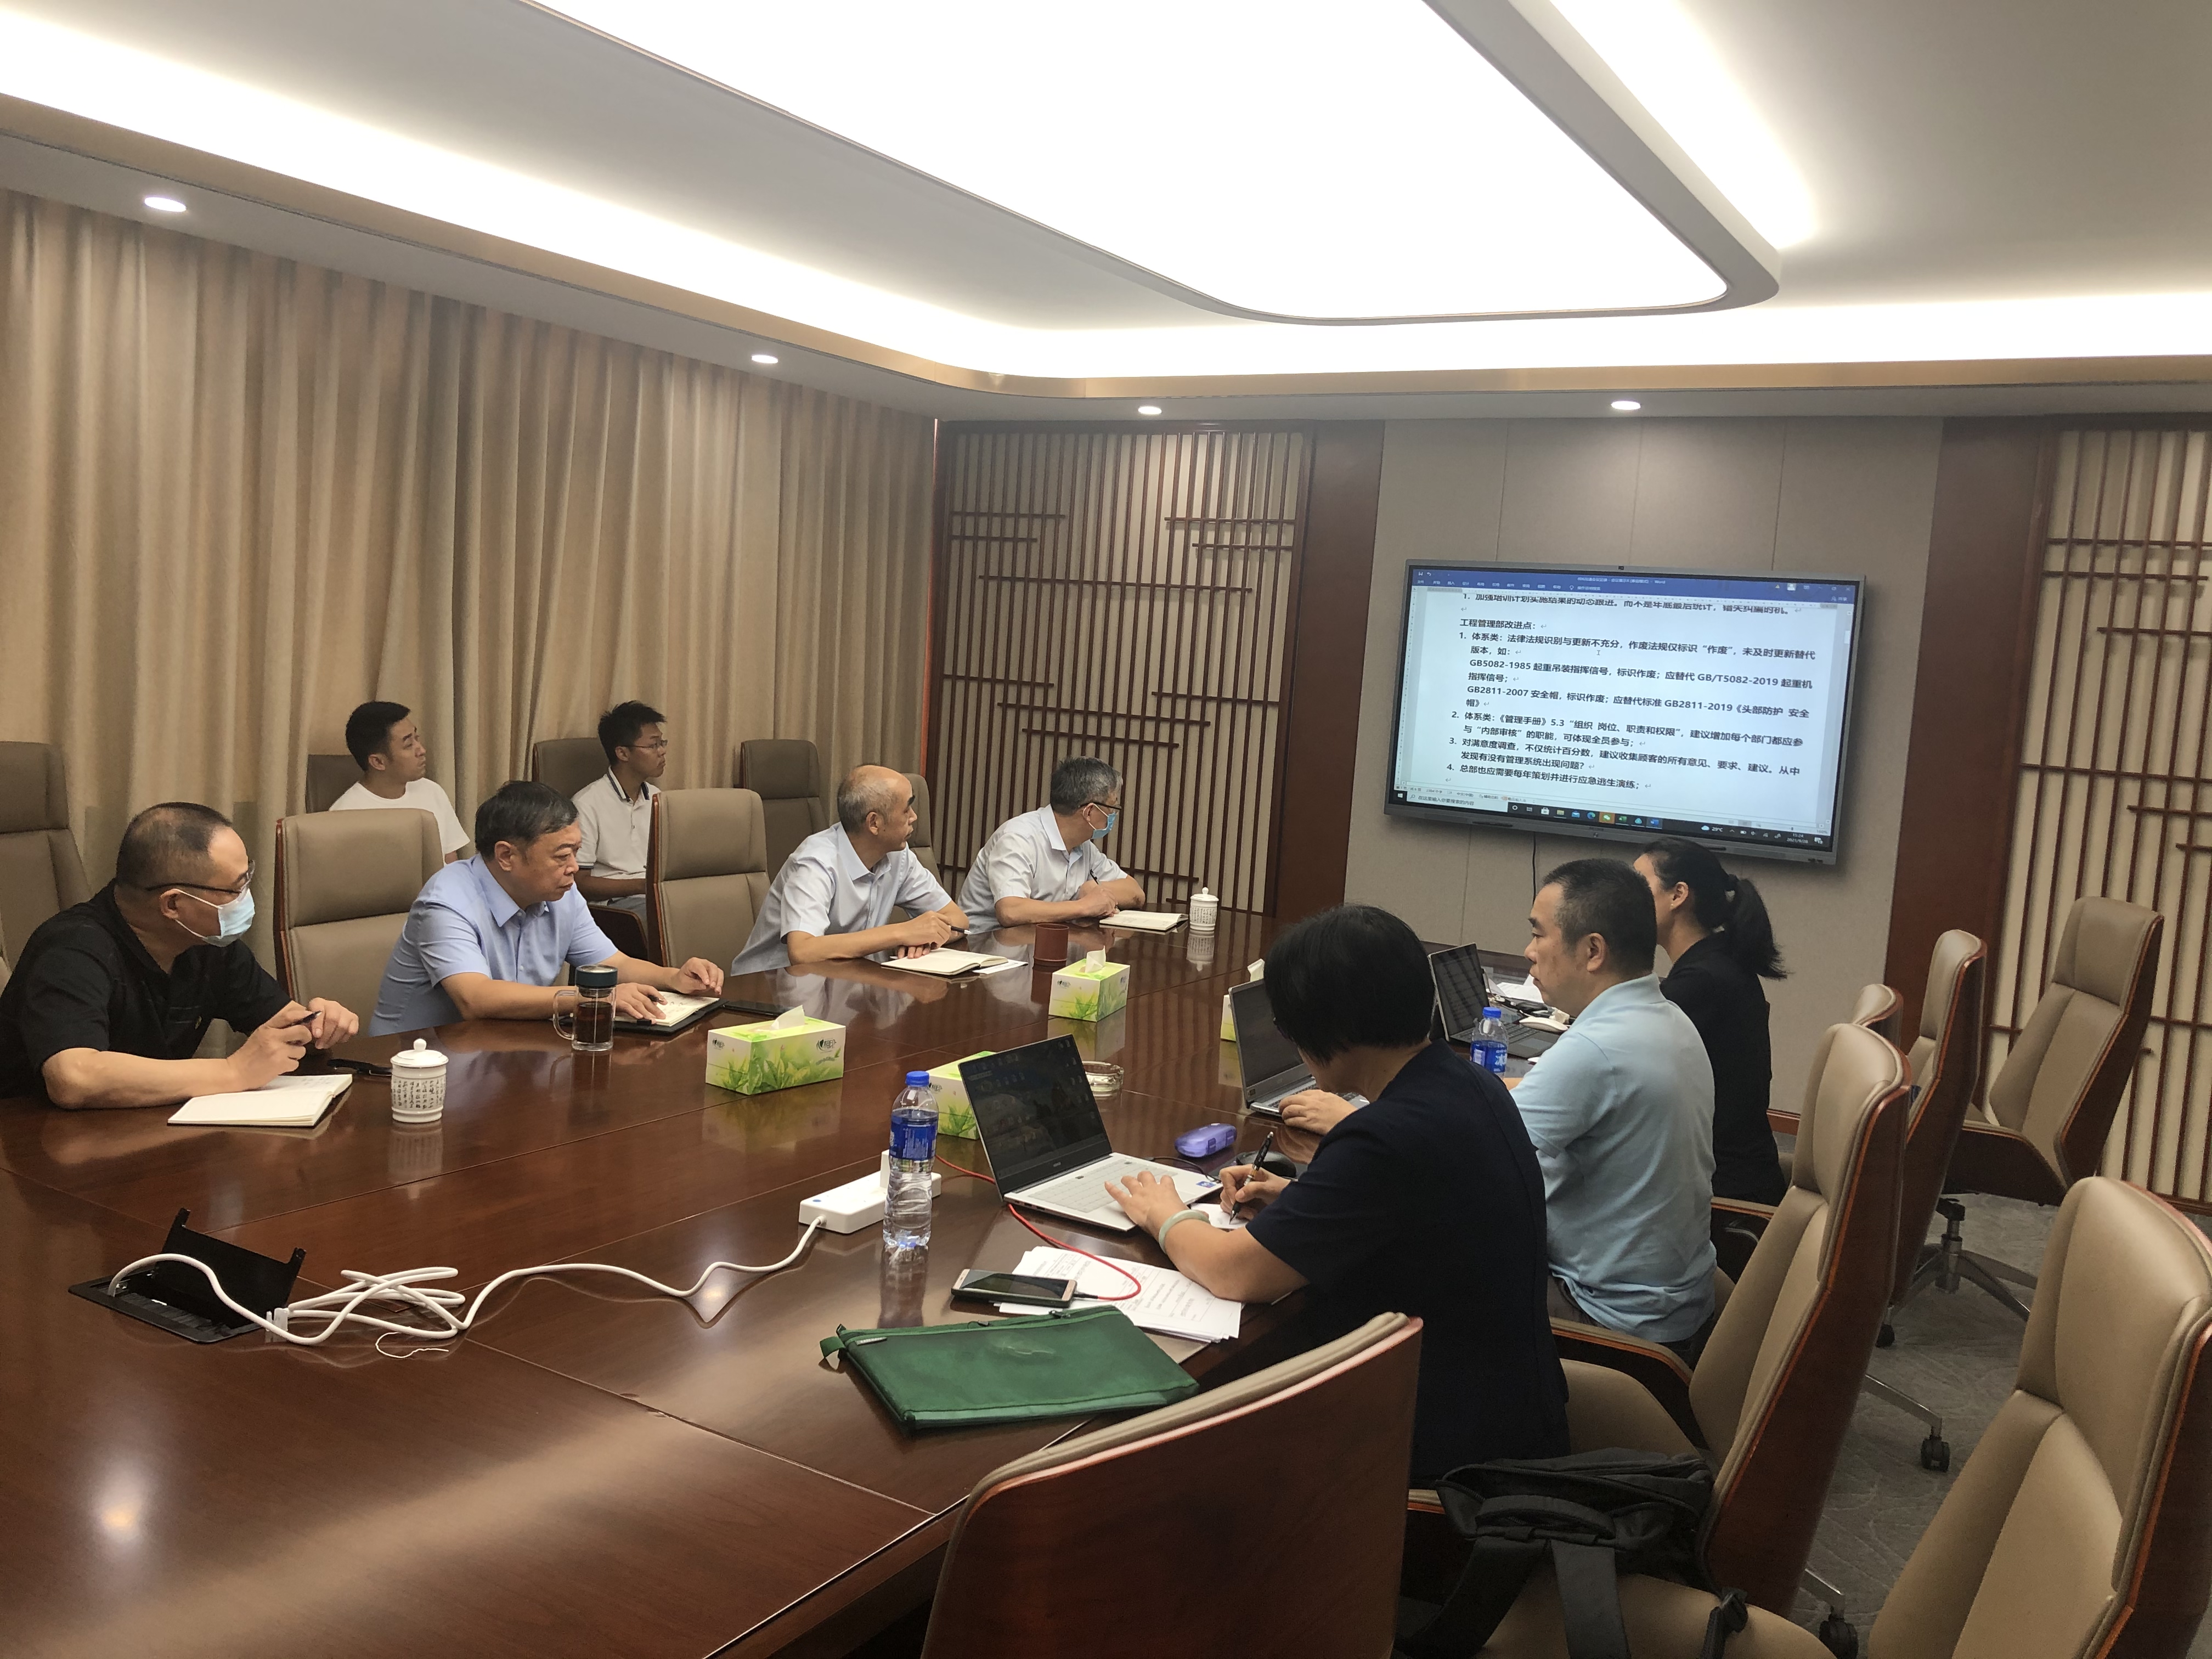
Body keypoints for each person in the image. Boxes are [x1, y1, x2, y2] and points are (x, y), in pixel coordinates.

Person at [1107, 904, 1568, 1483]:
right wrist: (1298, 1203)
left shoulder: (1384, 1137)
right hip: (1514, 1418)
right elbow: (1415, 1219)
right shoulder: (1469, 1082)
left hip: (1439, 1464)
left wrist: (1166, 1215)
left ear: (1331, 1029)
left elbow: (1233, 1272)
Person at [0, 803, 359, 1108]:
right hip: (35, 1146)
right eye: (236, 889)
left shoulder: (207, 945)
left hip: (147, 1133)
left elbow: (281, 1023)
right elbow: (74, 1078)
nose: (246, 898)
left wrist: (315, 1027)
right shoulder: (72, 949)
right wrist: (233, 1071)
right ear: (173, 904)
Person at [1514, 857, 1717, 1358]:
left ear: (1593, 950)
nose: (1529, 951)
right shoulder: (1669, 1018)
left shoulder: (1597, 1050)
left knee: (1420, 1261)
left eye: (1538, 934)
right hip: (1676, 1312)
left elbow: (1464, 1151)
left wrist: (1354, 1118)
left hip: (1607, 1323)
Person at [369, 781, 724, 1034]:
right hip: (413, 1066)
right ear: (506, 856)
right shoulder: (446, 902)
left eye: (576, 852)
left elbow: (612, 963)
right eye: (562, 855)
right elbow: (476, 998)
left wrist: (673, 978)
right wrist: (591, 998)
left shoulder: (562, 893)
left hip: (505, 1049)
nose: (574, 867)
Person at [1637, 836, 1790, 1205]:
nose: (1625, 901)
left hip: (1721, 1198)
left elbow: (1615, 1068)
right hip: (1730, 1174)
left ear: (1678, 895)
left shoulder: (1702, 981)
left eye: (1638, 887)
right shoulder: (1717, 959)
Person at [732, 766, 968, 975]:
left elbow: (958, 919)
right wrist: (902, 933)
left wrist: (928, 939)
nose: (914, 817)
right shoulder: (816, 862)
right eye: (907, 810)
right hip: (768, 991)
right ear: (874, 823)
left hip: (845, 981)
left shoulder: (899, 856)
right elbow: (803, 951)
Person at [957, 755, 1144, 925]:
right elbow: (1011, 911)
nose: (1113, 815)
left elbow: (1136, 893)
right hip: (986, 942)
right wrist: (1084, 906)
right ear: (1089, 812)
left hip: (1040, 939)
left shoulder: (1083, 847)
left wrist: (1095, 887)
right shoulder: (1019, 838)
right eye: (1112, 808)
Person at [330, 701, 470, 862]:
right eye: (409, 745)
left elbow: (450, 858)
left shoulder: (432, 790)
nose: (422, 750)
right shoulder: (344, 816)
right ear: (378, 762)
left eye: (417, 738)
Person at [571, 700, 667, 917]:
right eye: (653, 745)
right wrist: (642, 886)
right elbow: (579, 882)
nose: (662, 752)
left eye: (662, 743)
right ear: (623, 753)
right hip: (613, 906)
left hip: (655, 895)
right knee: (666, 918)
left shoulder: (658, 798)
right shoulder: (587, 804)